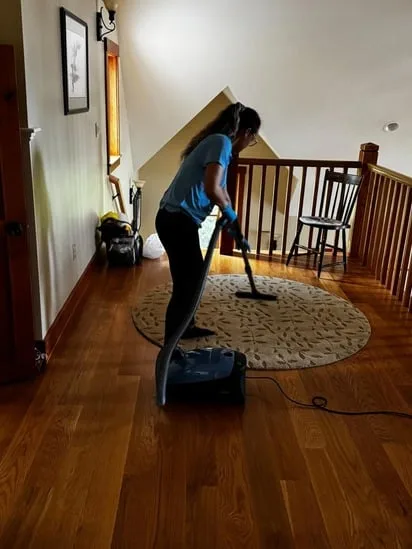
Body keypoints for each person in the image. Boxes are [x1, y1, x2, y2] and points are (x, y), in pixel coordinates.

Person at [155, 102, 261, 343]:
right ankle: (172, 345)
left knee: (188, 281)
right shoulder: (221, 143)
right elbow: (212, 189)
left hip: (174, 219)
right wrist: (227, 211)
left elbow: (222, 191)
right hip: (177, 220)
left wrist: (235, 225)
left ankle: (186, 327)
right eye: (252, 139)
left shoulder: (218, 144)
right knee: (189, 284)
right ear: (247, 132)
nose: (249, 143)